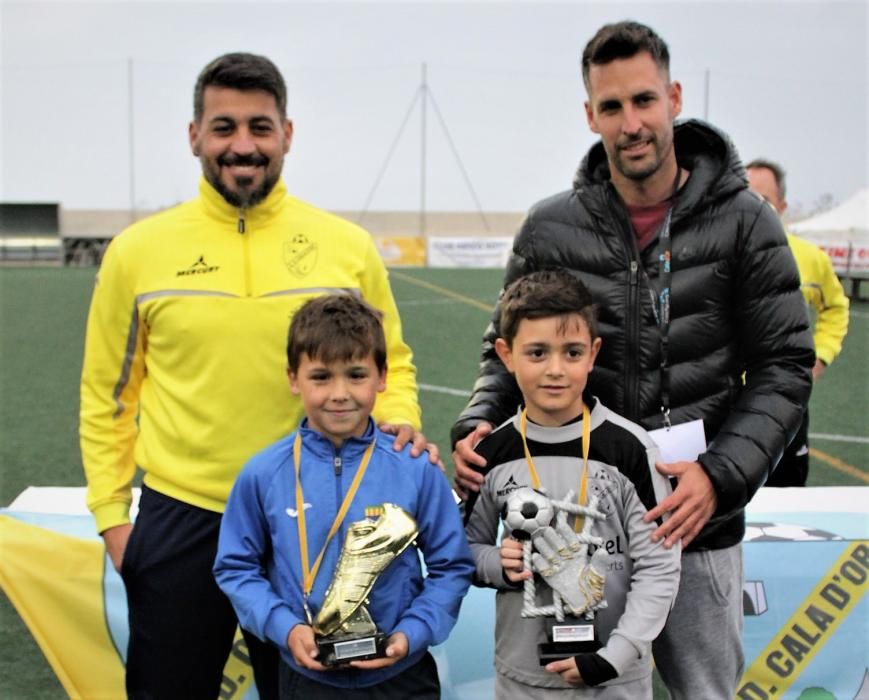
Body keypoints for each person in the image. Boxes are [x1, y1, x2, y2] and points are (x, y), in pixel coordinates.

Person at [451, 21, 814, 699]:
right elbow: (500, 355)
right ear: (589, 114)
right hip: (578, 522)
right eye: (611, 107)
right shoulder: (550, 226)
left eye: (643, 100)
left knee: (703, 692)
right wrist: (477, 421)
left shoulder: (745, 220)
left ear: (673, 98)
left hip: (692, 519)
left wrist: (719, 476)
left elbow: (784, 366)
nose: (630, 123)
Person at [79, 52, 434, 699]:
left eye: (259, 127)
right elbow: (108, 394)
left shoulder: (345, 247)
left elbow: (394, 361)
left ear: (286, 134)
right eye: (223, 127)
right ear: (195, 136)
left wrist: (400, 419)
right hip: (183, 517)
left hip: (311, 514)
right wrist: (113, 519)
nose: (242, 146)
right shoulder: (137, 252)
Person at [213, 294, 474, 699]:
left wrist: (411, 632)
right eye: (321, 377)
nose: (339, 393)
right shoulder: (264, 474)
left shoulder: (416, 468)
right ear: (293, 378)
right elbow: (236, 568)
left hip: (401, 676)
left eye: (355, 375)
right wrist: (285, 627)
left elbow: (451, 566)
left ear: (382, 377)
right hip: (307, 678)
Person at [464, 270, 681, 698]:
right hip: (524, 680)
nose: (556, 370)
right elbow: (462, 551)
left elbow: (660, 565)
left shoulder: (632, 450)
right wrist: (498, 565)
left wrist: (615, 656)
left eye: (572, 352)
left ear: (593, 353)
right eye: (538, 353)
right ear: (506, 355)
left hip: (614, 679)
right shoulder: (490, 453)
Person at [745, 158, 850, 486]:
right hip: (727, 403)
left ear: (782, 205)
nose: (756, 208)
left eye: (765, 200)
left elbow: (836, 308)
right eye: (746, 198)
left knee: (786, 494)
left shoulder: (810, 259)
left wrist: (819, 358)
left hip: (785, 401)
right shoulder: (717, 256)